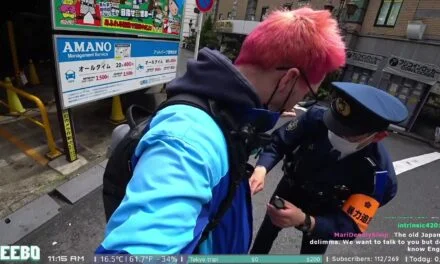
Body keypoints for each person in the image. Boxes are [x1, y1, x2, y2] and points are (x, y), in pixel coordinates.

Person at [96, 8, 346, 254]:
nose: (298, 103)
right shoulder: (188, 140)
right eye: (307, 94)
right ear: (288, 80)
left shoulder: (229, 116)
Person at [249, 82, 408, 254]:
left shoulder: (379, 175)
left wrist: (306, 221)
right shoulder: (316, 118)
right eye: (334, 125)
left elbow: (351, 225)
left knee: (312, 253)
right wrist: (261, 169)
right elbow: (279, 142)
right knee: (263, 239)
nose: (335, 134)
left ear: (378, 136)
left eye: (348, 133)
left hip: (328, 207)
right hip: (291, 186)